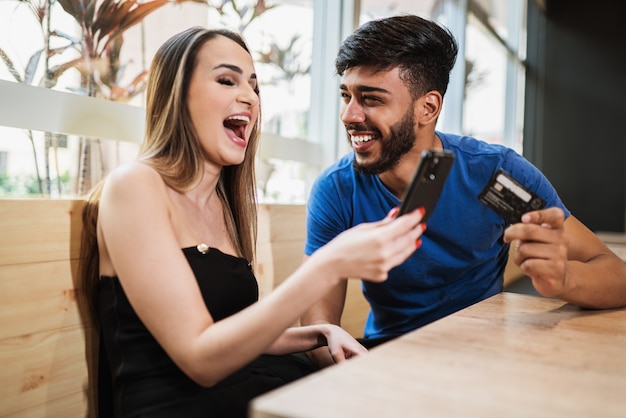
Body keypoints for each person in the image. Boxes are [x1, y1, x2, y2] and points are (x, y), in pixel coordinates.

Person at [79, 26, 426, 417]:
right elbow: (201, 358)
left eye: (254, 87)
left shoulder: (223, 205)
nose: (248, 96)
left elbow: (229, 331)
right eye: (227, 80)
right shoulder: (134, 186)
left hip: (245, 386)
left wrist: (318, 333)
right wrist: (330, 264)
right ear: (177, 96)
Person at [301, 14, 626, 367]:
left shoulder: (495, 174)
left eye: (371, 99)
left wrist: (564, 278)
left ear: (428, 108)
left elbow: (615, 274)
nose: (349, 115)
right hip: (387, 356)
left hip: (486, 356)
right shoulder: (336, 190)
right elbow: (319, 331)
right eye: (346, 95)